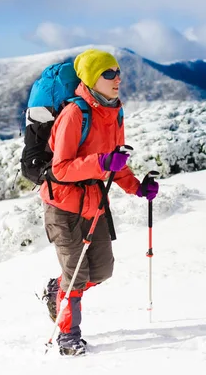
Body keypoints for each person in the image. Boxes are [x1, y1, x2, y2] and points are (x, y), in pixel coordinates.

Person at [40, 49, 159, 356]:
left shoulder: (115, 112)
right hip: (63, 206)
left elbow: (115, 162)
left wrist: (138, 188)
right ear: (92, 79)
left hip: (94, 204)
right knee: (77, 277)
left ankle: (59, 289)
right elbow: (60, 168)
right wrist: (102, 161)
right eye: (108, 73)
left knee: (102, 271)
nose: (117, 78)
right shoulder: (74, 115)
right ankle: (69, 336)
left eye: (118, 72)